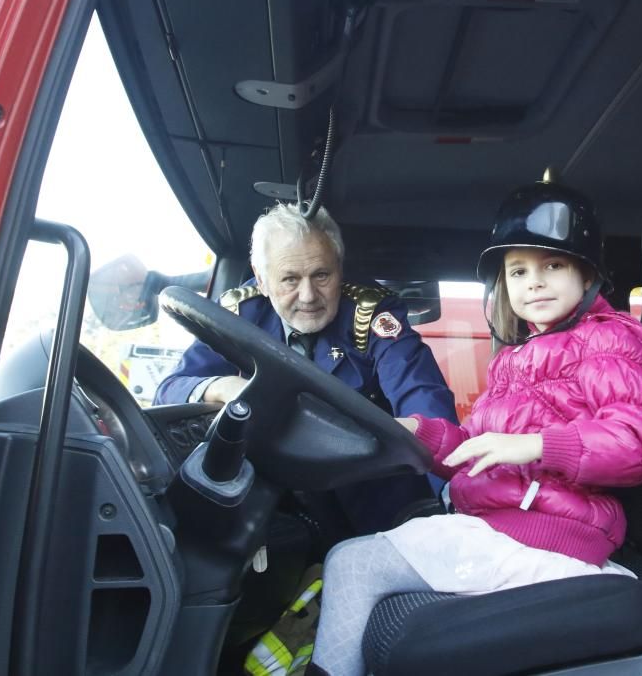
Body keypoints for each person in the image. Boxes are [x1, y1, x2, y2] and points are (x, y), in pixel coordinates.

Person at [307, 174, 642, 676]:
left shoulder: (609, 343)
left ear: (587, 277)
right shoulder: (512, 360)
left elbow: (636, 447)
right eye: (517, 271)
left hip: (548, 536)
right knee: (361, 554)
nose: (533, 282)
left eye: (553, 265)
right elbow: (477, 448)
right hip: (499, 526)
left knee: (353, 563)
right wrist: (420, 432)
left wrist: (533, 445)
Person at [155, 201, 458, 533]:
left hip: (374, 499)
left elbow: (426, 406)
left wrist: (449, 507)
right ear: (262, 279)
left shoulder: (370, 315)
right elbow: (170, 390)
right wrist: (222, 387)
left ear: (339, 270)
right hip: (273, 503)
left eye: (321, 275)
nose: (308, 295)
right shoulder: (240, 314)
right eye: (289, 279)